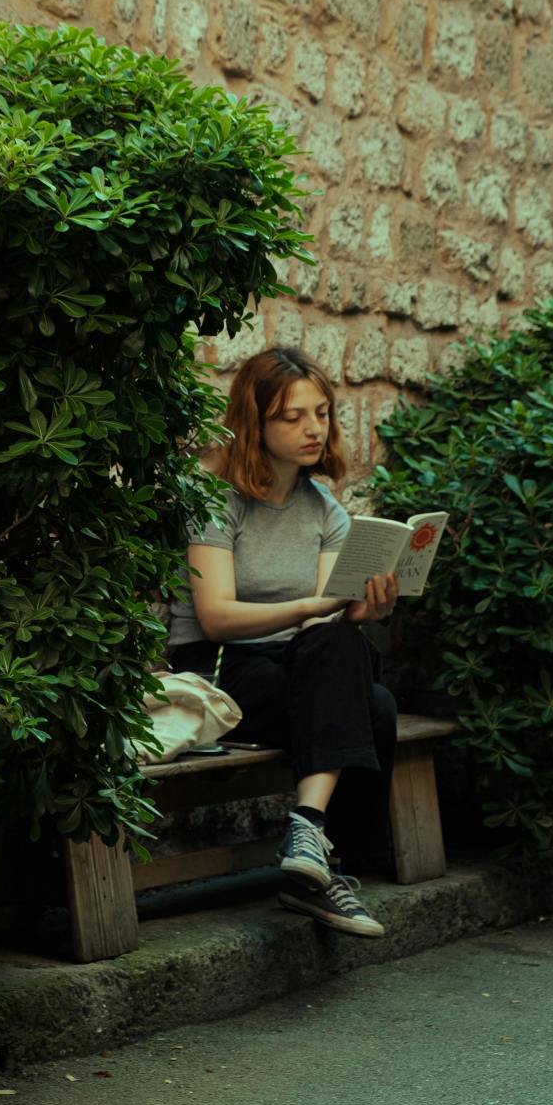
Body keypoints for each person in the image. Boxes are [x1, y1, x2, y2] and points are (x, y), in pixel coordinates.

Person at [167, 346, 399, 937]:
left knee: (348, 652)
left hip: (293, 664)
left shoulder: (325, 509)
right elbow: (215, 617)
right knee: (375, 707)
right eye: (292, 417)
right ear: (255, 422)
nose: (313, 429)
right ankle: (330, 862)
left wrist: (366, 606)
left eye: (320, 413)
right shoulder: (214, 501)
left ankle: (306, 838)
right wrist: (309, 608)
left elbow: (323, 626)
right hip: (221, 671)